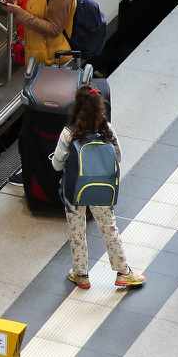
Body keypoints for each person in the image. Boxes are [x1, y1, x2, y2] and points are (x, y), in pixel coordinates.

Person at [51, 86, 146, 290]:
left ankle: (81, 274)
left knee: (77, 232)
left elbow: (57, 164)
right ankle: (123, 273)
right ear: (99, 108)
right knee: (109, 228)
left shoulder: (69, 133)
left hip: (74, 189)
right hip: (101, 188)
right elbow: (118, 156)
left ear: (77, 107)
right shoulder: (106, 130)